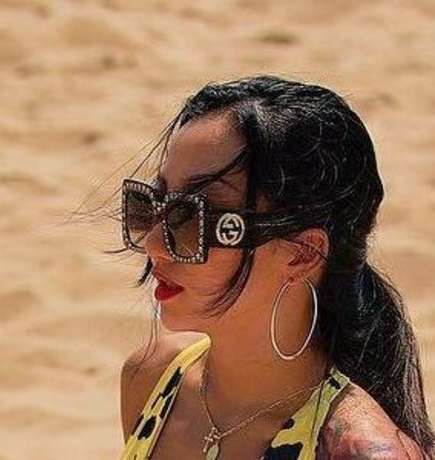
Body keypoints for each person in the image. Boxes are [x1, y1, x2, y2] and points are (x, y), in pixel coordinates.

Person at [117, 75, 434, 459]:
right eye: (153, 204)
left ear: (303, 254)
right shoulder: (154, 376)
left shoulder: (358, 451)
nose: (153, 243)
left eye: (194, 217)